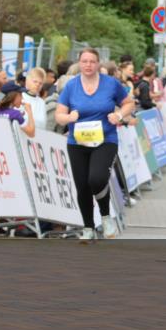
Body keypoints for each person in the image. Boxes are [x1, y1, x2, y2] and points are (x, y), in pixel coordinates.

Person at [54, 47, 135, 241]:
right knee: (82, 186)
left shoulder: (111, 84)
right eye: (84, 61)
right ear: (79, 64)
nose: (88, 65)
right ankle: (88, 227)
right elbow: (59, 116)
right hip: (77, 142)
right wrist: (69, 117)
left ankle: (106, 216)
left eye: (92, 61)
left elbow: (129, 103)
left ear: (98, 64)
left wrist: (118, 115)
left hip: (105, 140)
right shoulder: (71, 86)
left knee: (96, 179)